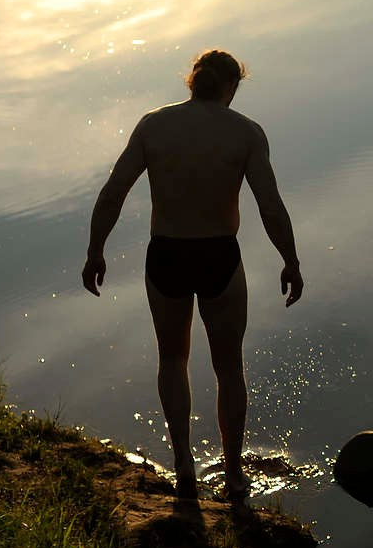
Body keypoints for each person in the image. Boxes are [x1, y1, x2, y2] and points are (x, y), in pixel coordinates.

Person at [81, 49, 304, 506]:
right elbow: (270, 206)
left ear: (192, 82)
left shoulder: (153, 125)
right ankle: (236, 475)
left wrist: (96, 250)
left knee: (171, 360)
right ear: (232, 87)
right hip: (218, 255)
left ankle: (184, 465)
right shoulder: (245, 133)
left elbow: (113, 192)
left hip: (167, 255)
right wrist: (291, 261)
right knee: (229, 367)